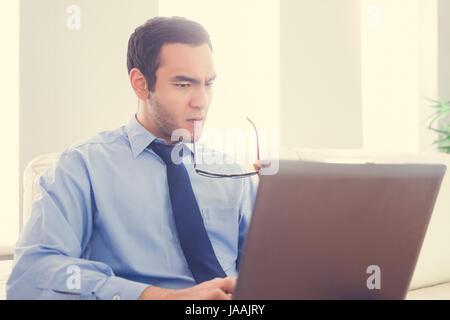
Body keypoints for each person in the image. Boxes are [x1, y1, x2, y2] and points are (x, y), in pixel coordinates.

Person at [7, 16, 261, 300]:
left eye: (208, 84)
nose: (201, 101)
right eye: (183, 85)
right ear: (141, 84)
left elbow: (269, 269)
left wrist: (286, 211)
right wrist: (161, 297)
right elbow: (31, 275)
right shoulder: (83, 167)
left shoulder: (231, 173)